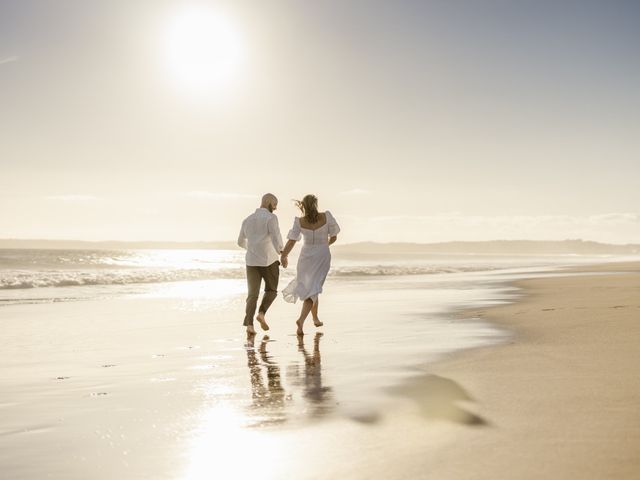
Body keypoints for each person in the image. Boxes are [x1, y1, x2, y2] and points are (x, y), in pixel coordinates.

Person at [280, 194, 340, 335]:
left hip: (305, 257)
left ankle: (315, 318)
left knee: (313, 287)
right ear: (316, 204)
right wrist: (325, 245)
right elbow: (334, 236)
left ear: (304, 206)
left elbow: (291, 241)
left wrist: (284, 255)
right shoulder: (326, 216)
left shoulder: (299, 221)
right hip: (322, 256)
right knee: (314, 288)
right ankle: (301, 320)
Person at [237, 193, 284, 335]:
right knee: (271, 290)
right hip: (269, 260)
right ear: (268, 201)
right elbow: (276, 237)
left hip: (251, 261)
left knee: (252, 294)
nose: (275, 208)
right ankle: (261, 314)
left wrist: (251, 249)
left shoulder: (247, 220)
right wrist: (282, 253)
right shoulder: (271, 218)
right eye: (274, 204)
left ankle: (249, 326)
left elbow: (240, 241)